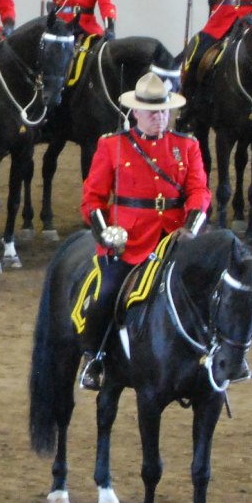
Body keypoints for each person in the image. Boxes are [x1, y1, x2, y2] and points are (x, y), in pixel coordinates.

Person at [76, 72, 210, 390]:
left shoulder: (186, 146)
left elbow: (200, 193)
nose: (159, 118)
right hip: (130, 242)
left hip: (176, 239)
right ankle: (94, 358)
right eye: (152, 112)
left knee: (215, 292)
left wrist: (191, 228)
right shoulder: (112, 146)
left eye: (164, 111)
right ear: (136, 112)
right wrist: (104, 233)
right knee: (105, 294)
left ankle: (215, 358)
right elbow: (93, 198)